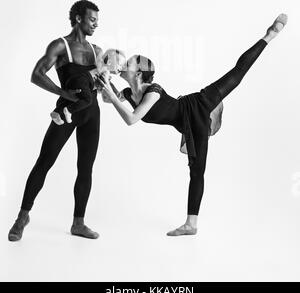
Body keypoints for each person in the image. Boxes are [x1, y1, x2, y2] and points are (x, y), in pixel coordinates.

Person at [98, 14, 288, 236]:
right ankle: (192, 224)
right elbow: (107, 99)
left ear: (138, 72)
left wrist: (110, 91)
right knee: (195, 171)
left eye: (127, 63)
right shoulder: (129, 93)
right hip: (186, 119)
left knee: (236, 75)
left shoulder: (153, 91)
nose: (122, 65)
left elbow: (131, 119)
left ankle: (269, 35)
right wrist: (104, 76)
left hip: (198, 106)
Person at [8, 0, 103, 241]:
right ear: (79, 18)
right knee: (45, 161)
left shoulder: (97, 51)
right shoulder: (60, 46)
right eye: (92, 19)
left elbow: (101, 85)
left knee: (85, 168)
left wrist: (105, 82)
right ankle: (22, 217)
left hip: (92, 114)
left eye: (97, 21)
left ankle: (78, 223)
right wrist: (64, 94)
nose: (96, 24)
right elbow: (36, 75)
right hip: (66, 112)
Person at [50, 49, 126, 126]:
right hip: (83, 81)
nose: (121, 68)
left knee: (77, 98)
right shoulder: (105, 71)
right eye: (120, 65)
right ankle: (68, 111)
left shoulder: (101, 67)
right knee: (87, 100)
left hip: (78, 80)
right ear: (109, 62)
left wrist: (116, 91)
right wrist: (116, 92)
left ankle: (56, 112)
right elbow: (106, 84)